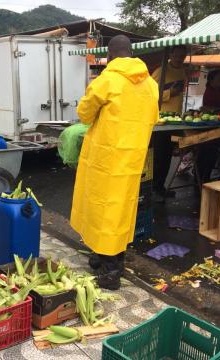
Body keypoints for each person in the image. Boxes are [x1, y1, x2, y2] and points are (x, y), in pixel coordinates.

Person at [70, 35, 159, 290]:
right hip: (131, 161)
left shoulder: (107, 80)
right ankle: (108, 258)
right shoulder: (150, 84)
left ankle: (111, 273)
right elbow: (153, 117)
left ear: (109, 56)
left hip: (105, 160)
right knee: (120, 212)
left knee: (102, 211)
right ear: (131, 53)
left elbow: (84, 114)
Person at [151, 46, 188, 201]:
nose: (179, 59)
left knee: (166, 157)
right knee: (158, 156)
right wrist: (168, 94)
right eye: (177, 56)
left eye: (182, 56)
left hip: (175, 119)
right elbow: (149, 92)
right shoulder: (161, 70)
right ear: (171, 55)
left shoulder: (183, 71)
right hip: (161, 120)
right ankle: (153, 188)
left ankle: (160, 187)